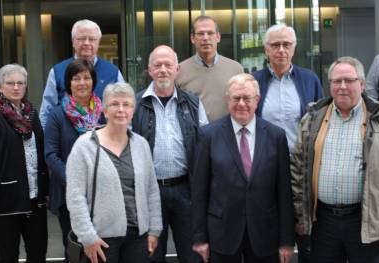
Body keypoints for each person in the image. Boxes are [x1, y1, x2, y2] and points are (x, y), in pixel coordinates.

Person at [191, 73, 294, 263]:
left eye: (246, 98)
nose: (241, 104)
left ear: (257, 100)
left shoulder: (276, 136)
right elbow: (199, 192)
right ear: (227, 99)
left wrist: (287, 241)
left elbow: (284, 193)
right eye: (235, 98)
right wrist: (200, 237)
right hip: (222, 233)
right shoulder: (208, 136)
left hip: (265, 233)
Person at [291, 56, 379, 263]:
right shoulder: (312, 118)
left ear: (362, 84)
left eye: (349, 81)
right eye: (336, 81)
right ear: (329, 84)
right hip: (323, 221)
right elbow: (297, 169)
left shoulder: (378, 118)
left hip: (365, 221)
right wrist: (300, 214)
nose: (342, 86)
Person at [66, 82, 162, 263]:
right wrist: (87, 236)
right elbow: (75, 196)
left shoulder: (141, 145)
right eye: (114, 104)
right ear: (104, 109)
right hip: (101, 239)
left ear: (133, 110)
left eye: (126, 104)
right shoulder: (85, 146)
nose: (121, 109)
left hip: (138, 237)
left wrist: (155, 229)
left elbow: (151, 190)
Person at [252, 24, 323, 262]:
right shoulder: (255, 81)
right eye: (275, 45)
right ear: (266, 49)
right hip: (265, 166)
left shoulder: (309, 79)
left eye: (286, 45)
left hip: (301, 165)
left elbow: (320, 121)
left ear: (294, 48)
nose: (281, 50)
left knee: (305, 229)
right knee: (269, 226)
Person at [132, 45, 208, 263]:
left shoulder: (194, 103)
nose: (163, 69)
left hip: (186, 190)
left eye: (168, 65)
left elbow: (204, 149)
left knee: (192, 255)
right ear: (149, 70)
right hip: (150, 192)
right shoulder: (136, 105)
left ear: (177, 70)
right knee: (151, 255)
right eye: (157, 65)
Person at [0, 64, 49, 262]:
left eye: (20, 83)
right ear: (0, 87)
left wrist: (46, 190)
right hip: (5, 200)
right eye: (10, 83)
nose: (16, 87)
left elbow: (41, 152)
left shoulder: (31, 113)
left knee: (38, 253)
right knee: (8, 255)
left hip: (34, 198)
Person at [44, 59, 104, 262]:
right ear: (68, 83)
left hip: (101, 193)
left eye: (86, 77)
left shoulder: (104, 114)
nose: (82, 83)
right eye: (76, 78)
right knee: (77, 250)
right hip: (69, 193)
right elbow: (51, 155)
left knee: (103, 248)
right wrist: (74, 181)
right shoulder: (57, 115)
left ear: (93, 81)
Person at [40, 19, 124, 128]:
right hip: (65, 140)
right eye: (81, 38)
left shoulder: (113, 72)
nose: (87, 43)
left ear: (98, 42)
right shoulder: (57, 71)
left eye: (92, 39)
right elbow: (47, 110)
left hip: (103, 140)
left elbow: (123, 107)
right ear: (73, 41)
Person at [176, 15, 244, 122]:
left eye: (210, 33)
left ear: (218, 37)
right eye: (200, 33)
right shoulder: (179, 71)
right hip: (195, 135)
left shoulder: (236, 69)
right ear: (192, 38)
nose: (206, 38)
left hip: (227, 134)